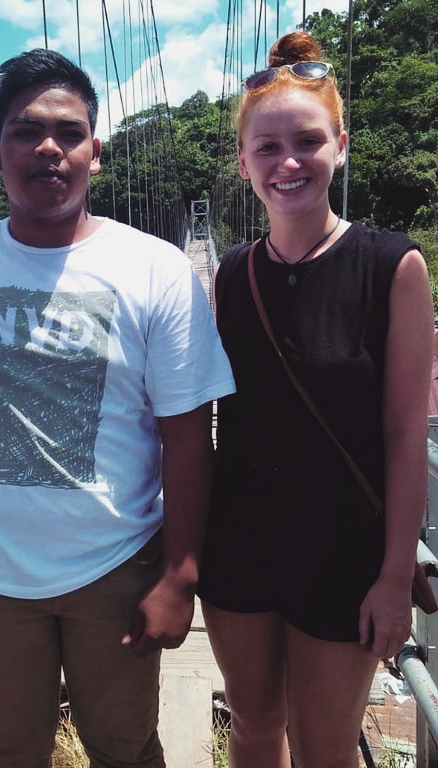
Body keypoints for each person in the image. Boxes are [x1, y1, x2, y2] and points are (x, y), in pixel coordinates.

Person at [0, 48, 235, 768]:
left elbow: (187, 438)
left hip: (115, 567)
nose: (48, 147)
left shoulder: (156, 269)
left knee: (125, 749)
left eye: (69, 132)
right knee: (9, 754)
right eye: (25, 131)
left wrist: (179, 578)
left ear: (95, 152)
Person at [196, 31, 434, 768]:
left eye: (307, 142)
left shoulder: (392, 265)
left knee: (325, 748)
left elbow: (404, 434)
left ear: (341, 147)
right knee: (253, 724)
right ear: (243, 163)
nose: (288, 162)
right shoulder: (230, 275)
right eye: (267, 148)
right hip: (239, 541)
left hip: (343, 549)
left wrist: (394, 576)